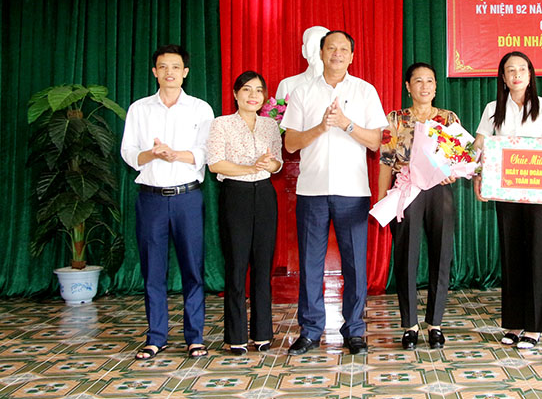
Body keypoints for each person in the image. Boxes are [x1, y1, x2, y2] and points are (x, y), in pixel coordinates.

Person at [280, 30, 388, 355]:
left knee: (355, 264)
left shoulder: (365, 91)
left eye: (343, 49)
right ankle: (310, 331)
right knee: (310, 264)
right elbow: (290, 143)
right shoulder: (302, 92)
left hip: (352, 191)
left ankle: (354, 330)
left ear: (352, 56)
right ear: (321, 53)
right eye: (331, 48)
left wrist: (345, 124)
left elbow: (376, 142)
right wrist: (321, 127)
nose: (337, 54)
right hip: (311, 190)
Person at [120, 44, 214, 360]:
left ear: (185, 72)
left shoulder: (200, 109)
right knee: (153, 271)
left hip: (188, 197)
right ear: (154, 72)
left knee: (193, 269)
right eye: (163, 67)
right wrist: (152, 153)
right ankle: (156, 336)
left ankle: (194, 337)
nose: (169, 72)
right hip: (151, 200)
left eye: (175, 67)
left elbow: (206, 152)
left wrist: (176, 155)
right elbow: (129, 153)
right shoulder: (139, 109)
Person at [472, 51, 542, 349]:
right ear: (503, 77)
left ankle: (534, 327)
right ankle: (513, 323)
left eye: (522, 69)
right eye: (510, 70)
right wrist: (474, 174)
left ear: (530, 74)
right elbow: (480, 145)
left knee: (537, 254)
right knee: (511, 255)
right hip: (506, 191)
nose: (516, 75)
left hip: (539, 192)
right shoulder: (492, 108)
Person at [377, 62, 460, 350]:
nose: (425, 86)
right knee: (406, 257)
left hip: (439, 190)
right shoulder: (395, 118)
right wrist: (383, 197)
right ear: (408, 87)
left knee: (442, 255)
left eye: (430, 81)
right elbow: (386, 160)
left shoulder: (448, 118)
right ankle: (409, 325)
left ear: (436, 87)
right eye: (418, 81)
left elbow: (459, 156)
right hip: (407, 189)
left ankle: (435, 324)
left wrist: (453, 171)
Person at [207, 71, 283, 355]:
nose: (253, 95)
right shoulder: (222, 124)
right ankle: (236, 336)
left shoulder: (270, 125)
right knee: (237, 266)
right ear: (235, 94)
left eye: (259, 90)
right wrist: (251, 167)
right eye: (247, 89)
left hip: (264, 195)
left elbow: (277, 164)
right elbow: (215, 164)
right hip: (235, 195)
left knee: (263, 267)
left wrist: (268, 164)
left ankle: (263, 333)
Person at [276, 26, 329, 101]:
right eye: (311, 46)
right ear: (304, 51)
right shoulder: (287, 85)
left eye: (321, 46)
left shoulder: (344, 84)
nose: (316, 51)